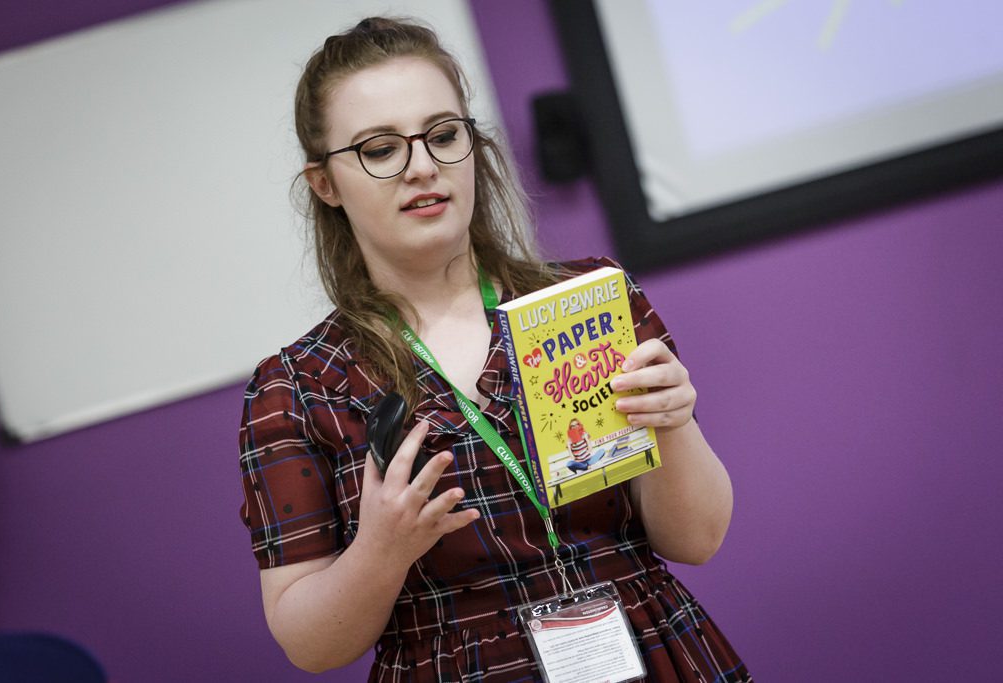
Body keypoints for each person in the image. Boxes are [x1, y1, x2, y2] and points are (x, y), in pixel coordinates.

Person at [239, 16, 751, 682]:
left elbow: (698, 538)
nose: (423, 166)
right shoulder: (298, 387)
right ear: (325, 183)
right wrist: (381, 548)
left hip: (649, 649)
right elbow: (310, 644)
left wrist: (674, 425)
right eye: (380, 148)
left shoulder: (590, 299)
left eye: (444, 135)